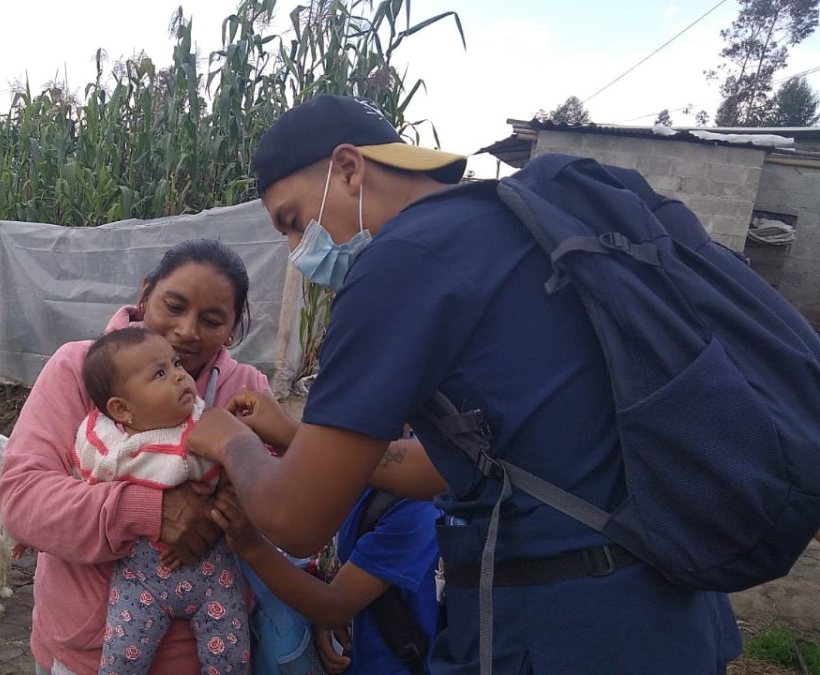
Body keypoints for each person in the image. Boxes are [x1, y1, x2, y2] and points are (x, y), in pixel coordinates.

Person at [185, 94, 742, 674]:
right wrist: (300, 435)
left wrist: (229, 439)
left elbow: (297, 521)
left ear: (349, 169)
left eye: (294, 221)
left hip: (562, 623)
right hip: (668, 613)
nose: (297, 250)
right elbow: (440, 466)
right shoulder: (510, 229)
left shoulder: (400, 263)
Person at [0, 239, 272, 675]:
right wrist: (147, 509)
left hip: (209, 655)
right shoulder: (80, 370)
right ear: (144, 294)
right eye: (174, 306)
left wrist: (229, 507)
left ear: (233, 328)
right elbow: (22, 499)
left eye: (212, 319)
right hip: (86, 654)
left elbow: (278, 498)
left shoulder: (248, 391)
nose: (186, 331)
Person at [74, 327, 250, 675]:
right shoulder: (105, 443)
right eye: (160, 373)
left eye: (176, 364)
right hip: (140, 580)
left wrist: (221, 512)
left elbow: (239, 476)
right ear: (122, 409)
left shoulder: (207, 426)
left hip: (212, 572)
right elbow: (75, 488)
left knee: (230, 657)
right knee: (121, 660)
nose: (180, 377)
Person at [209, 475, 441, 675]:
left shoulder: (417, 504)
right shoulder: (353, 474)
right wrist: (324, 619)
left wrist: (250, 545)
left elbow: (336, 605)